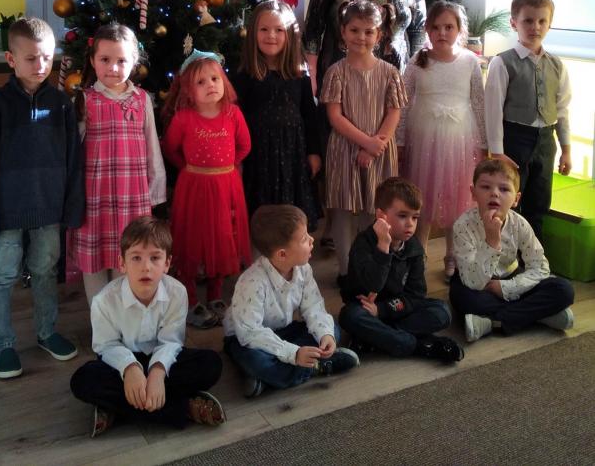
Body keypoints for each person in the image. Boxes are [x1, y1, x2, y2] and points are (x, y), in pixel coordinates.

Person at [302, 0, 425, 248]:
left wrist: (413, 72)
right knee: (340, 154)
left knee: (380, 153)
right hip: (340, 82)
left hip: (390, 83)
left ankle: (376, 229)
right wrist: (312, 74)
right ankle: (336, 224)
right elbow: (312, 30)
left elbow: (419, 29)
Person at [0, 17, 84, 379]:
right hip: (7, 213)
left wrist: (71, 207)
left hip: (49, 209)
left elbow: (73, 161)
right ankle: (2, 344)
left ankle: (47, 331)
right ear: (11, 59)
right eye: (31, 58)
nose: (40, 65)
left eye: (47, 58)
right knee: (2, 276)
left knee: (45, 271)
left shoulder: (62, 105)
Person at [70, 216, 225, 436]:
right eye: (136, 258)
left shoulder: (177, 292)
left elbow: (171, 341)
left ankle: (117, 408)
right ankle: (183, 408)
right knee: (83, 381)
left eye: (155, 258)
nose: (146, 267)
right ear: (122, 263)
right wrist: (130, 369)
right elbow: (106, 346)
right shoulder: (104, 301)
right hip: (122, 363)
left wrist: (158, 372)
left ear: (167, 264)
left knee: (211, 364)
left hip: (162, 359)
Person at [67, 23, 166, 306]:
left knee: (128, 257)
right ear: (92, 60)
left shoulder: (141, 100)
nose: (113, 68)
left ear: (134, 61)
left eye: (121, 60)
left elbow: (152, 147)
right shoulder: (84, 100)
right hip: (95, 197)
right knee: (94, 262)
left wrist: (155, 192)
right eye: (105, 59)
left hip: (131, 196)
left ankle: (124, 317)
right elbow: (72, 153)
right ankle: (100, 320)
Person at [223, 204, 359, 397]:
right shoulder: (252, 282)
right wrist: (293, 354)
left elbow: (314, 307)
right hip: (245, 338)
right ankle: (319, 366)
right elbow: (250, 333)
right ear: (282, 254)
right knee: (256, 361)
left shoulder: (303, 269)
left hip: (283, 331)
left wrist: (325, 335)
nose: (312, 239)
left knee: (332, 331)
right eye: (304, 239)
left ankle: (269, 379)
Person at [397, 0, 487, 281]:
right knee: (421, 197)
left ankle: (452, 255)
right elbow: (403, 104)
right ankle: (417, 255)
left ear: (459, 30)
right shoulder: (418, 61)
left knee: (456, 198)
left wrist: (484, 145)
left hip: (459, 142)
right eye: (435, 27)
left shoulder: (470, 62)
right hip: (424, 140)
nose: (442, 33)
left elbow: (479, 104)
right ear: (427, 30)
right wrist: (399, 141)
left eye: (449, 27)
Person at [161, 50, 251, 329]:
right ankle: (189, 297)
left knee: (223, 237)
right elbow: (170, 148)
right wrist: (190, 169)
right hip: (194, 188)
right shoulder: (184, 118)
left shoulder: (233, 114)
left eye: (215, 78)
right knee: (191, 239)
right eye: (201, 82)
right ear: (189, 90)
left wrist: (227, 168)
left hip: (226, 187)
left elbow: (245, 146)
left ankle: (215, 293)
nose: (210, 85)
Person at [321, 0, 407, 278]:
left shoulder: (390, 73)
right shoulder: (336, 72)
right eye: (355, 30)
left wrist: (373, 146)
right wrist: (365, 142)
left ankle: (371, 268)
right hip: (344, 148)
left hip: (380, 150)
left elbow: (394, 113)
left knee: (377, 209)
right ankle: (347, 271)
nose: (361, 37)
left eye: (369, 31)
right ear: (343, 32)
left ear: (378, 35)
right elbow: (335, 116)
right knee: (344, 210)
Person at [338, 178, 463, 362]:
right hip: (365, 309)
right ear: (381, 216)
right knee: (350, 316)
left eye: (415, 217)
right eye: (403, 216)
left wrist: (381, 310)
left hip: (395, 310)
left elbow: (416, 294)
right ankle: (419, 345)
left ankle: (376, 340)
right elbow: (373, 285)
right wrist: (383, 247)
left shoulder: (413, 247)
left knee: (442, 312)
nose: (410, 224)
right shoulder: (363, 243)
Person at [450, 158, 574, 343]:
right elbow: (473, 282)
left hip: (512, 279)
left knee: (563, 290)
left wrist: (507, 288)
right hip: (478, 284)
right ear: (473, 193)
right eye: (486, 187)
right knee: (463, 298)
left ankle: (493, 323)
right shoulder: (463, 225)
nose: (494, 193)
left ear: (516, 199)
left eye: (504, 189)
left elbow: (540, 267)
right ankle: (538, 315)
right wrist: (492, 242)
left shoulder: (519, 224)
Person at [484, 0, 572, 240]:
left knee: (539, 203)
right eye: (528, 21)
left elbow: (562, 109)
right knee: (508, 201)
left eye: (542, 21)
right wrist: (497, 152)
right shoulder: (502, 63)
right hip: (514, 140)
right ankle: (504, 255)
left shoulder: (557, 65)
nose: (536, 27)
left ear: (550, 24)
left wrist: (566, 149)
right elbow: (492, 110)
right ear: (514, 23)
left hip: (546, 141)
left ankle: (533, 257)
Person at [234, 0, 321, 228]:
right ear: (253, 33)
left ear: (290, 34)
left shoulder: (299, 75)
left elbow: (310, 116)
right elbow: (235, 118)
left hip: (293, 154)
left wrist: (313, 152)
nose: (271, 35)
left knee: (292, 215)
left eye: (279, 30)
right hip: (258, 155)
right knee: (260, 214)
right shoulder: (245, 75)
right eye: (264, 29)